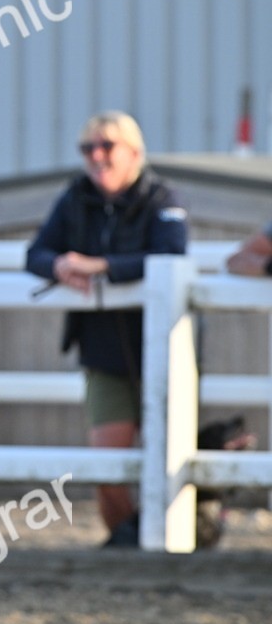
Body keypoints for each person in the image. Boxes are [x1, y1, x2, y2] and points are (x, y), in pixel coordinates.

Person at [25, 111, 188, 548]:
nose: (96, 156)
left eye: (106, 146)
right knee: (107, 466)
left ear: (134, 152)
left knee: (173, 457)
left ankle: (174, 542)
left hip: (166, 350)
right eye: (87, 148)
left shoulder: (162, 198)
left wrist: (103, 267)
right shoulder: (75, 197)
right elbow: (35, 253)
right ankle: (127, 540)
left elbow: (172, 258)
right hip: (102, 350)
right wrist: (59, 265)